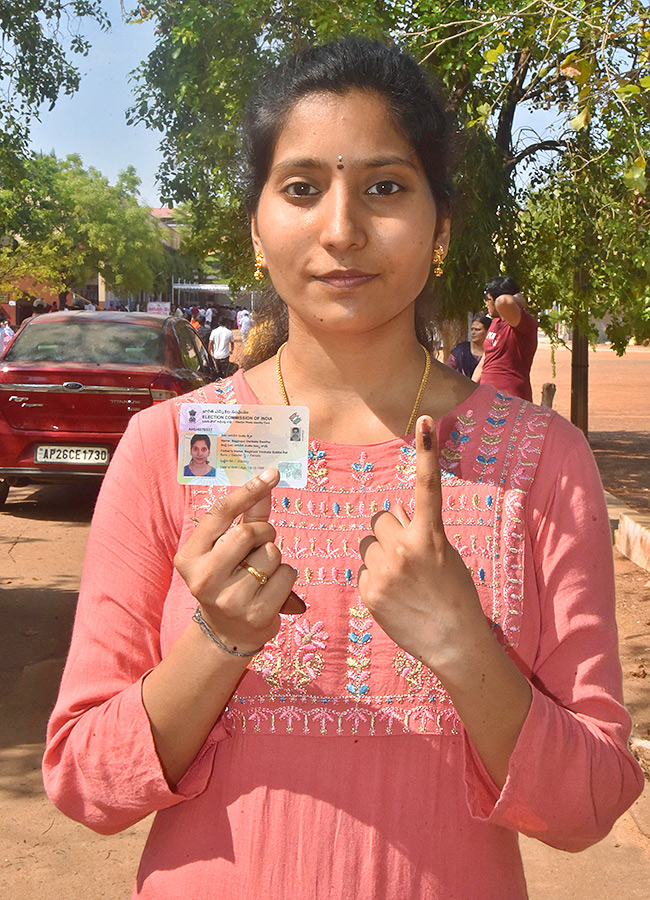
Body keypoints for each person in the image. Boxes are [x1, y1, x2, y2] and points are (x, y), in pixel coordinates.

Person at [43, 38, 642, 900]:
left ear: (441, 228)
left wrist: (460, 641)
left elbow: (588, 806)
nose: (341, 228)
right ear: (255, 226)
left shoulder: (540, 462)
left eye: (386, 187)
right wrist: (218, 642)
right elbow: (83, 783)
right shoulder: (173, 445)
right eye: (301, 187)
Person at [472, 275, 538, 401]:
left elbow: (503, 302)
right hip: (487, 398)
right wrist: (471, 392)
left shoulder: (524, 323)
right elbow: (484, 363)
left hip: (511, 398)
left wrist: (516, 299)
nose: (485, 303)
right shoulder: (494, 323)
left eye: (487, 298)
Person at [445, 313, 491, 377]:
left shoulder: (492, 352)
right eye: (472, 329)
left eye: (477, 330)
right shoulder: (460, 351)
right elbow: (448, 371)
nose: (473, 332)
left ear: (488, 332)